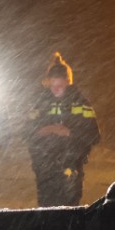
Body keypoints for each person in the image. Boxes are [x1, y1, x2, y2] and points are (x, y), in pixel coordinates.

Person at [26, 52, 100, 207]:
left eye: (59, 86)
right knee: (46, 214)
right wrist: (48, 129)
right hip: (44, 170)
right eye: (52, 86)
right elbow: (27, 133)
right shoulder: (39, 103)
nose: (56, 90)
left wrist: (69, 133)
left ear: (68, 81)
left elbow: (93, 135)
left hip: (71, 168)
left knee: (69, 215)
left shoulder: (81, 103)